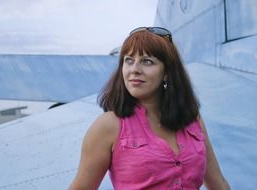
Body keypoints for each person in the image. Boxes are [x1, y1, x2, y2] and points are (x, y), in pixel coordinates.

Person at [68, 27, 230, 190]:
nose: (134, 69)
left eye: (147, 61)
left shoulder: (192, 120)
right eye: (128, 60)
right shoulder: (108, 126)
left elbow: (219, 185)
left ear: (167, 72)